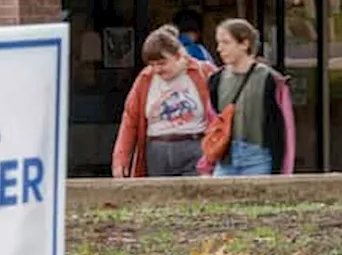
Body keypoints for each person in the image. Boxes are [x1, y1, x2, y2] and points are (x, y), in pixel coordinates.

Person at [110, 25, 217, 178]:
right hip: (157, 148)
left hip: (195, 144)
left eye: (162, 63)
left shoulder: (203, 72)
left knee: (194, 197)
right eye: (152, 65)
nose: (157, 70)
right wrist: (121, 158)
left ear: (178, 55)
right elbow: (130, 119)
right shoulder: (145, 79)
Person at [201, 18, 296, 176]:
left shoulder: (270, 80)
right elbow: (212, 123)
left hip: (259, 157)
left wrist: (284, 170)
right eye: (219, 43)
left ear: (244, 44)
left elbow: (285, 128)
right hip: (225, 158)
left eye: (226, 42)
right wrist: (207, 164)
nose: (219, 49)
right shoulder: (215, 80)